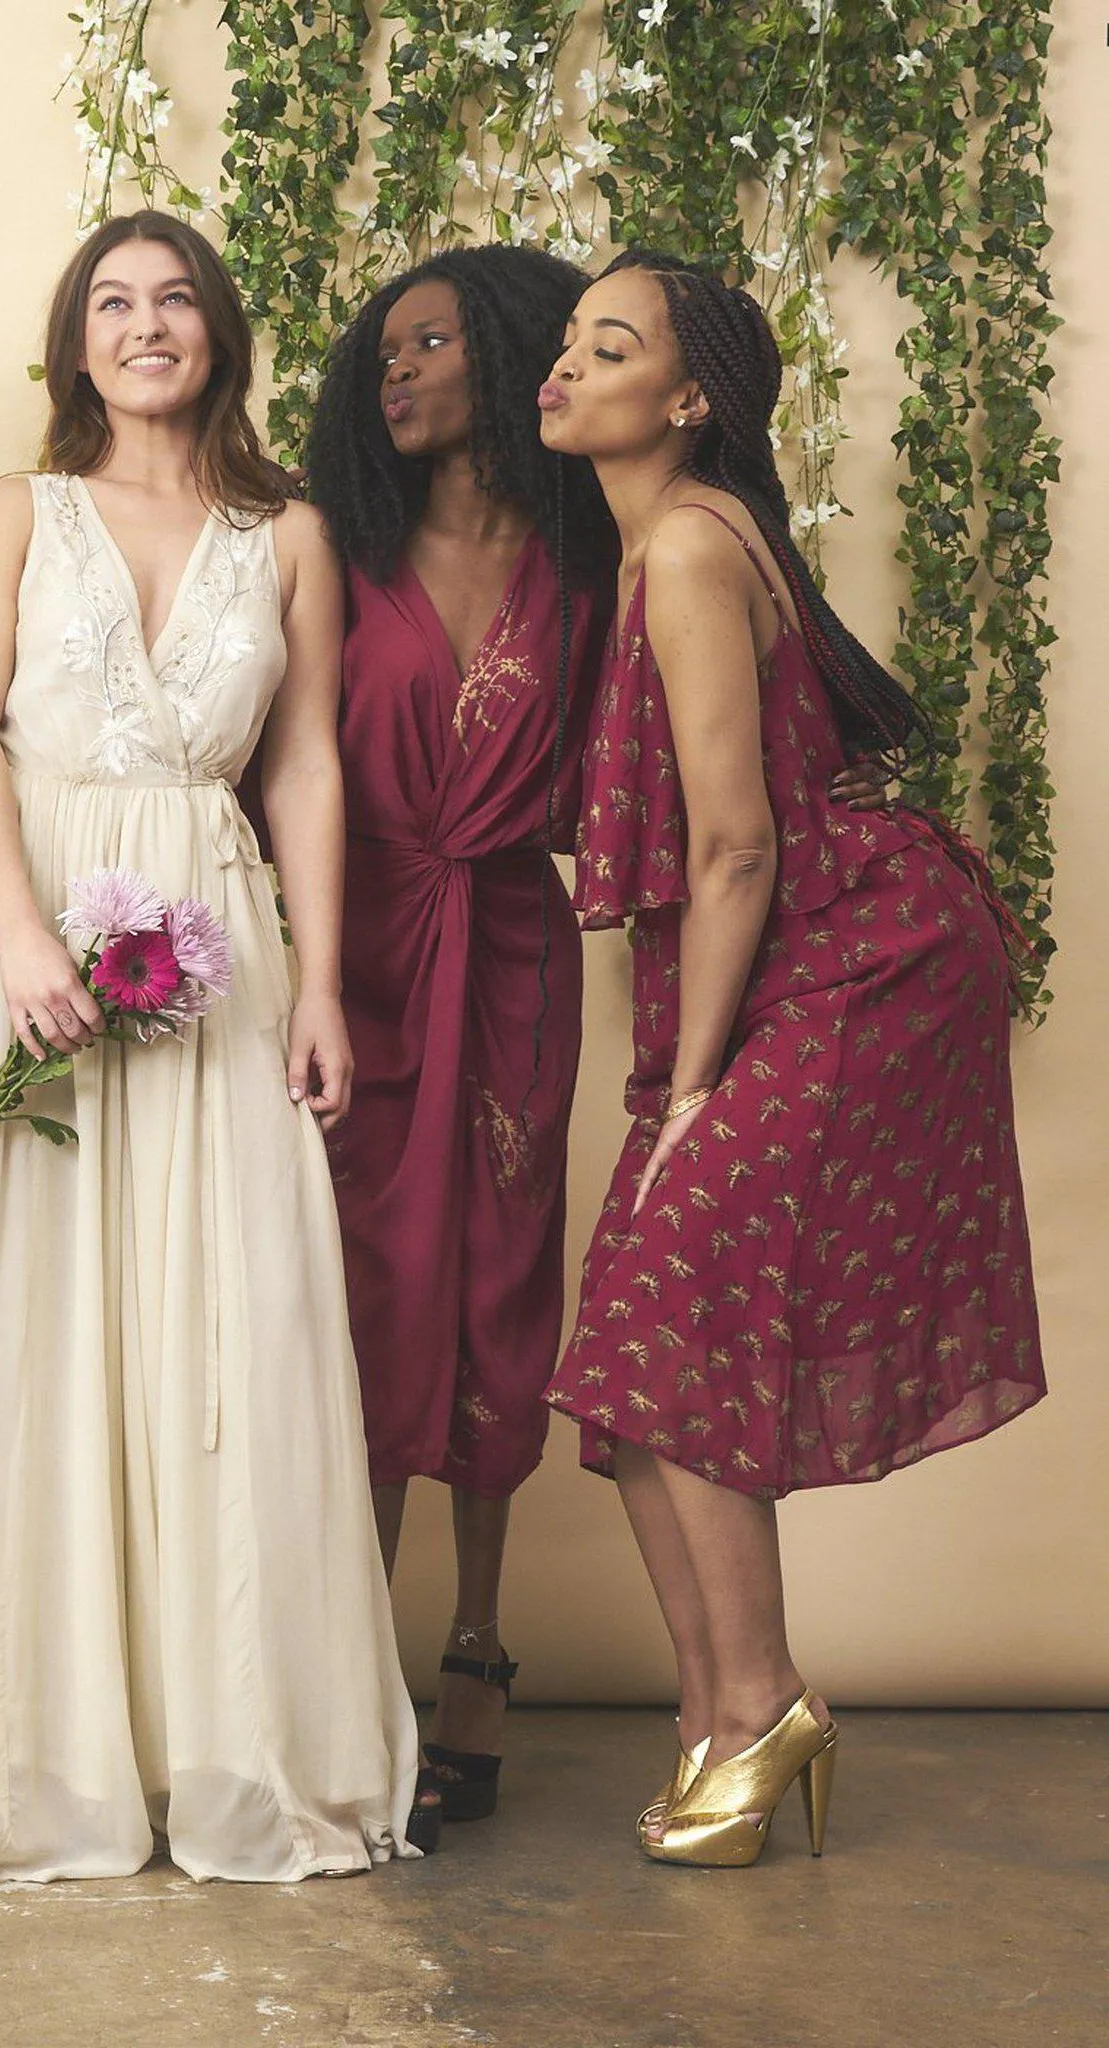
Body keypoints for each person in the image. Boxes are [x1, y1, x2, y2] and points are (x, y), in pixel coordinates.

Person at [0, 209, 419, 1885]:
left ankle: (231, 1743)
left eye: (176, 298)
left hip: (214, 935)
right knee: (30, 1314)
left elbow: (303, 762)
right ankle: (36, 1754)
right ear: (75, 344)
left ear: (221, 333)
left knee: (227, 1324)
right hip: (19, 927)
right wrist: (21, 937)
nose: (148, 323)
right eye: (114, 301)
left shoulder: (290, 534)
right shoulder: (21, 510)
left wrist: (315, 981)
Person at [539, 250, 1045, 1867]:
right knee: (625, 1384)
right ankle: (713, 1724)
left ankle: (757, 1711)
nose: (563, 367)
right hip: (783, 968)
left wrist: (687, 1098)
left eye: (605, 347)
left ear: (686, 400)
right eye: (564, 342)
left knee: (671, 1319)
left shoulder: (685, 546)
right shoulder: (667, 541)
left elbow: (740, 846)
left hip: (844, 966)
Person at [303, 246, 611, 1848]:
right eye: (382, 353)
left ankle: (477, 1650)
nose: (394, 374)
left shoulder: (600, 563)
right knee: (365, 1296)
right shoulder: (335, 554)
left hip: (508, 959)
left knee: (499, 1288)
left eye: (429, 344)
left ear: (505, 357)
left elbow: (672, 764)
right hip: (352, 969)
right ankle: (350, 1661)